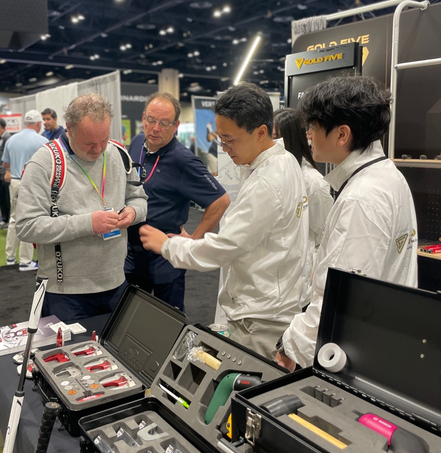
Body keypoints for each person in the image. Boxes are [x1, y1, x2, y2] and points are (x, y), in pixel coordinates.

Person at [140, 83, 308, 358]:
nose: (225, 149)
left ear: (260, 132)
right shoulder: (284, 161)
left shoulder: (267, 182)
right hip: (271, 304)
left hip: (259, 316)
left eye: (230, 140)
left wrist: (167, 246)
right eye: (220, 140)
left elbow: (225, 246)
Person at [275, 76, 418, 370]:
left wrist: (290, 347)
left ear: (342, 134)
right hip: (384, 339)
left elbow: (339, 297)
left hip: (354, 354)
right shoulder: (388, 176)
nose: (308, 134)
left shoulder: (361, 198)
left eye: (313, 126)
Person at [16, 93, 147, 321]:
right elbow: (27, 226)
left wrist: (133, 212)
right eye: (89, 143)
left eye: (104, 139)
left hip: (116, 283)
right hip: (65, 292)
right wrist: (88, 224)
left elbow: (140, 198)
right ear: (69, 128)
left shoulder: (118, 154)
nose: (98, 149)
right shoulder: (45, 162)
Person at [126, 92, 230, 311]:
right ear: (144, 118)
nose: (155, 128)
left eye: (164, 123)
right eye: (151, 120)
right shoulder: (136, 143)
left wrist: (193, 240)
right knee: (129, 315)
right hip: (131, 254)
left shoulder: (183, 160)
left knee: (167, 321)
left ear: (176, 126)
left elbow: (220, 200)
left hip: (164, 257)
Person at [273, 108, 333, 308]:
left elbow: (323, 232)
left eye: (275, 137)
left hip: (298, 279)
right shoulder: (270, 173)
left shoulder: (313, 181)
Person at [3, 110, 47, 271]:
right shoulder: (43, 141)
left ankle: (10, 257)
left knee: (14, 219)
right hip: (32, 183)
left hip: (15, 182)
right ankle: (25, 261)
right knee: (29, 219)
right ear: (38, 124)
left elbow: (6, 164)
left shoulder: (11, 140)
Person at [0, 118, 12, 227]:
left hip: (5, 172)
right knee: (1, 196)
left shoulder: (7, 138)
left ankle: (9, 219)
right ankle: (4, 219)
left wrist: (7, 171)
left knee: (7, 196)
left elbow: (9, 155)